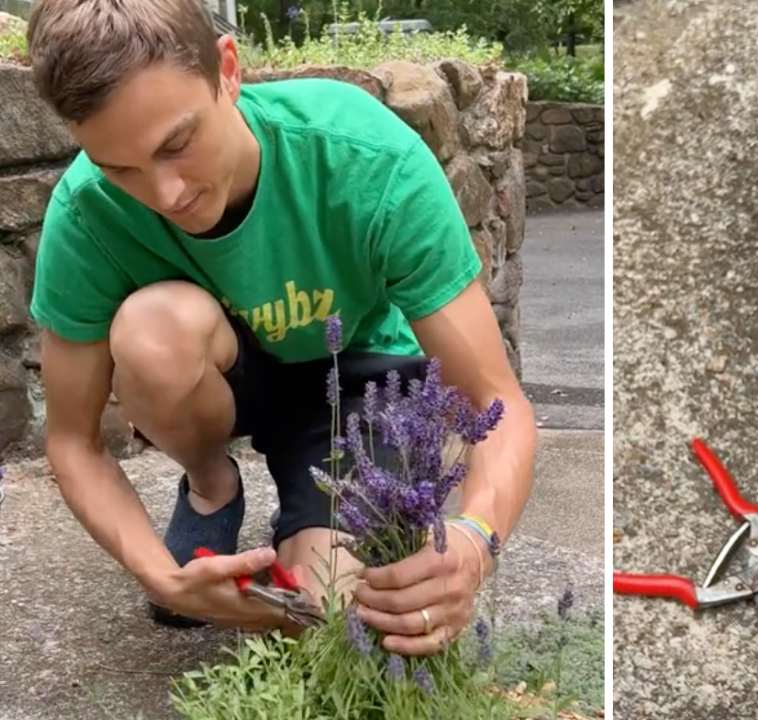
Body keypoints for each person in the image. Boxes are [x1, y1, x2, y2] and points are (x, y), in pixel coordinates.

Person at [25, 0, 536, 657]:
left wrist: (472, 539)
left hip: (358, 377)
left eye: (176, 143)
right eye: (119, 168)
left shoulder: (366, 157)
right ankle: (212, 484)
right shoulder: (85, 213)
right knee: (151, 331)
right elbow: (72, 442)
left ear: (228, 70)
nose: (165, 194)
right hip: (216, 374)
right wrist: (158, 574)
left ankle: (307, 540)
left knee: (341, 614)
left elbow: (496, 404)